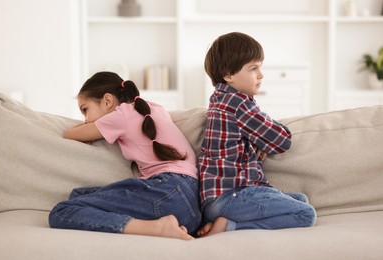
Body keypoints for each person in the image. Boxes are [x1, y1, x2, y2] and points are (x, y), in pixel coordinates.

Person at [49, 71, 202, 240]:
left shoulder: (121, 115)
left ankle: (156, 227)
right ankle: (163, 225)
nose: (86, 120)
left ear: (107, 101)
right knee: (79, 196)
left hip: (166, 192)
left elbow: (69, 134)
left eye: (85, 110)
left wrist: (89, 130)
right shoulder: (153, 108)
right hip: (191, 208)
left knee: (62, 212)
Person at [197, 32, 316, 237]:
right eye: (253, 68)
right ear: (228, 74)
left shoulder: (219, 98)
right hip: (234, 196)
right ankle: (228, 227)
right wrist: (264, 138)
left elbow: (253, 132)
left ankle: (221, 221)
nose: (261, 74)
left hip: (214, 201)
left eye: (260, 66)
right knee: (306, 214)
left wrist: (257, 139)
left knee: (301, 199)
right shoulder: (240, 104)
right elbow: (282, 141)